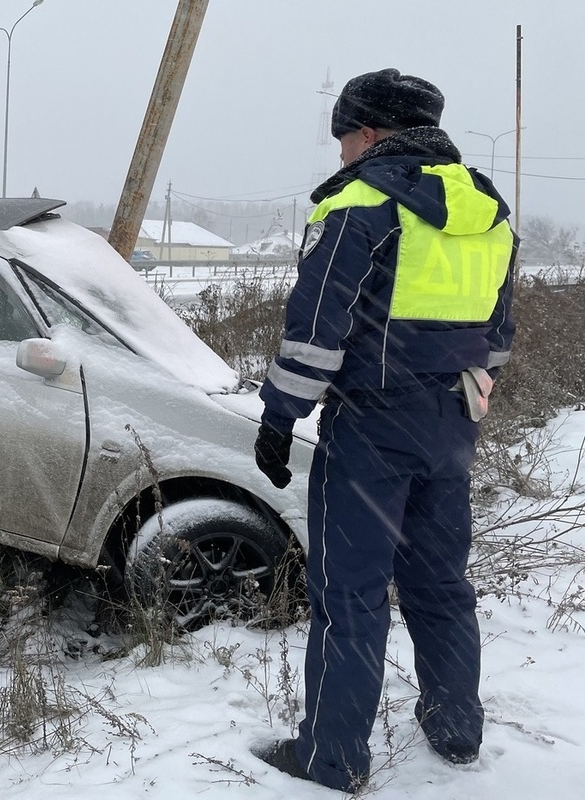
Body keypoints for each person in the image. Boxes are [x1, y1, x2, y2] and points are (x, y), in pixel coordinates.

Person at [250, 69, 517, 791]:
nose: (340, 154)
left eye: (344, 137)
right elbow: (497, 337)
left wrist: (280, 418)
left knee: (352, 595)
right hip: (453, 421)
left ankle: (331, 757)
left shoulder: (362, 205)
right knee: (439, 583)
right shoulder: (489, 213)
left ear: (369, 132)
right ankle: (457, 731)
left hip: (370, 427)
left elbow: (316, 332)